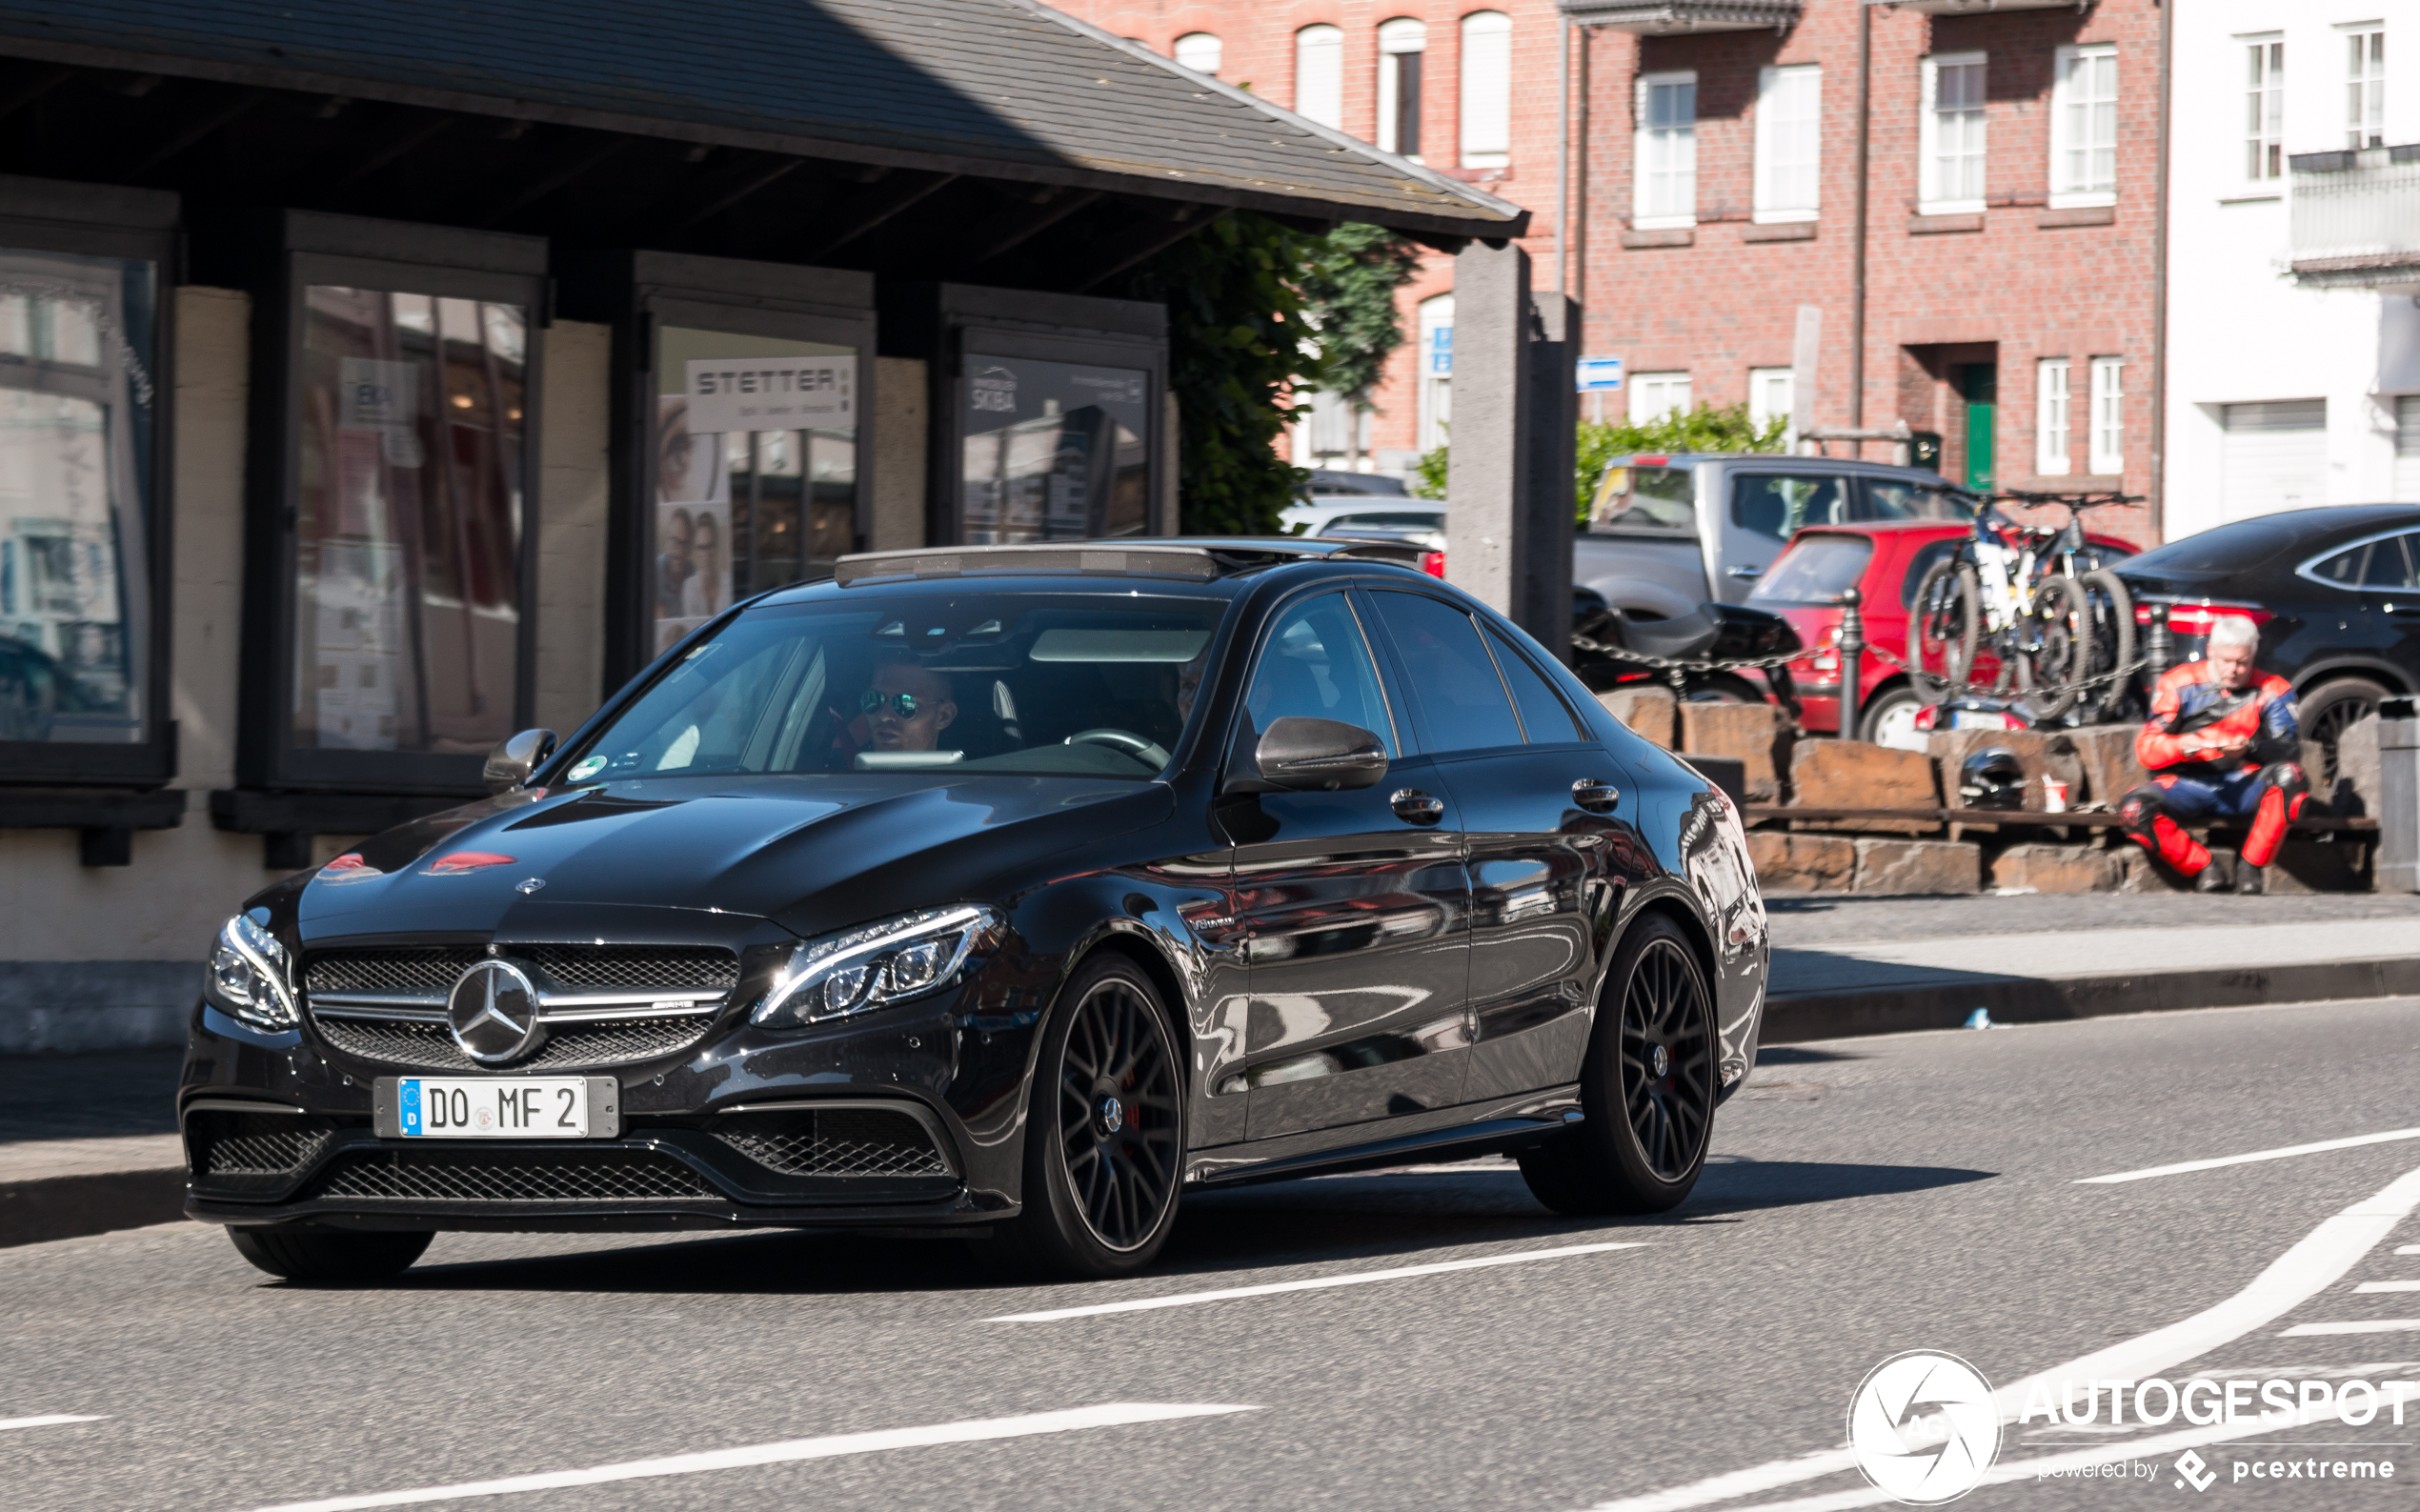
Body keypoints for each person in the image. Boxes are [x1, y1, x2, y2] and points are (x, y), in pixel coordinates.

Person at [2118, 615, 2309, 894]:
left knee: (2292, 777)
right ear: (2210, 651)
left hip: (2244, 783)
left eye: (2242, 662)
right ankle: (2204, 867)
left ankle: (2250, 867)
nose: (2233, 670)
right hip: (2186, 784)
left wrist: (2250, 747)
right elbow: (2147, 750)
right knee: (2133, 810)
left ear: (2254, 656)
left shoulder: (2273, 689)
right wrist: (2186, 744)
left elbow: (2290, 749)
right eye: (2226, 661)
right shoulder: (2178, 683)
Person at [831, 655, 958, 761]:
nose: (884, 715)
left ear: (943, 716)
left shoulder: (969, 785)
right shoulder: (834, 776)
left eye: (905, 703)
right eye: (873, 699)